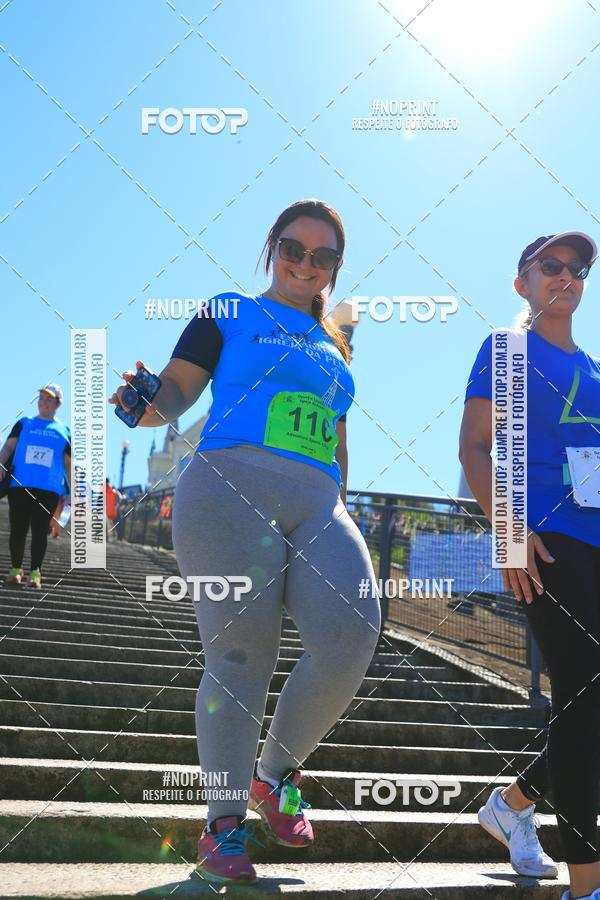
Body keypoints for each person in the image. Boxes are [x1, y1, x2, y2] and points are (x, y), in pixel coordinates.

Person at [110, 198, 381, 884]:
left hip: (320, 502)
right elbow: (172, 396)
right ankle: (222, 823)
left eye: (323, 257)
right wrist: (144, 403)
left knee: (352, 634)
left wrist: (341, 501)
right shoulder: (230, 310)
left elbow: (339, 437)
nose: (306, 264)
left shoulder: (338, 343)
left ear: (335, 268)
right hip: (228, 489)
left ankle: (274, 775)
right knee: (240, 656)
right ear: (272, 247)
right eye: (293, 248)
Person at [459, 232, 600, 900]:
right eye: (551, 266)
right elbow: (476, 448)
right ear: (523, 282)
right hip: (544, 541)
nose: (566, 276)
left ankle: (513, 803)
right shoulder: (507, 349)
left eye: (577, 269)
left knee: (589, 702)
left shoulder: (596, 372)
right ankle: (587, 885)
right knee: (584, 689)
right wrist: (507, 533)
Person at [0, 384, 71, 589]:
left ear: (58, 403)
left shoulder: (63, 430)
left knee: (40, 531)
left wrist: (72, 490)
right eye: (41, 398)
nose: (44, 402)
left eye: (49, 399)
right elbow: (8, 446)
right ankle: (15, 571)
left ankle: (35, 573)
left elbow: (67, 463)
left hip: (49, 488)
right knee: (18, 530)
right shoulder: (24, 423)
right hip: (19, 484)